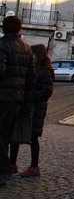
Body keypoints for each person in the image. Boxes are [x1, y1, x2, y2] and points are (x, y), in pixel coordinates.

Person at [10, 44, 54, 178]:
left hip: (36, 108)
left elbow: (47, 91)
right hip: (26, 106)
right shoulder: (33, 69)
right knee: (15, 136)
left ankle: (34, 166)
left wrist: (31, 96)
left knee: (33, 138)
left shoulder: (45, 71)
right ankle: (12, 164)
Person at [0, 15, 35, 185]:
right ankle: (3, 170)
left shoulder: (2, 46)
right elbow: (31, 78)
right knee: (5, 135)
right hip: (17, 98)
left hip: (3, 97)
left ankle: (5, 169)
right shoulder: (27, 48)